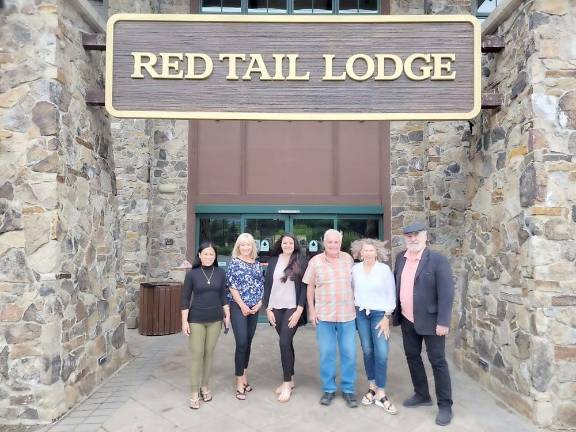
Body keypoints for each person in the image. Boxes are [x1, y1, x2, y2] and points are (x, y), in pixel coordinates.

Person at [391, 222, 455, 426]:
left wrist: (443, 321)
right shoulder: (400, 258)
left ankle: (445, 406)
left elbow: (447, 293)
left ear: (425, 236)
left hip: (432, 321)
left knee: (438, 362)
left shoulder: (437, 260)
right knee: (412, 357)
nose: (412, 238)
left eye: (416, 235)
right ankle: (422, 395)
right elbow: (397, 285)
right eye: (409, 235)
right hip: (408, 319)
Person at [303, 229, 357, 408]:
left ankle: (348, 390)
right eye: (330, 242)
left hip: (347, 316)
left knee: (349, 353)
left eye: (336, 242)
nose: (333, 245)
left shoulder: (348, 259)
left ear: (340, 243)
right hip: (324, 316)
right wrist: (312, 310)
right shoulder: (315, 261)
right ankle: (329, 389)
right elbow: (309, 287)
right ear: (324, 243)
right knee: (327, 354)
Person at [350, 238, 398, 414]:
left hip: (380, 315)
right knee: (367, 351)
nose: (368, 253)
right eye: (365, 250)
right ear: (360, 252)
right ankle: (372, 387)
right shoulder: (355, 270)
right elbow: (351, 290)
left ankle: (381, 392)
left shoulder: (384, 270)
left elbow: (391, 295)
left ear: (376, 252)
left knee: (382, 353)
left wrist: (387, 316)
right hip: (361, 314)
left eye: (371, 250)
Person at [181, 242, 230, 410]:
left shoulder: (221, 273)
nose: (209, 257)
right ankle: (194, 391)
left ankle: (205, 386)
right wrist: (184, 322)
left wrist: (227, 315)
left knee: (209, 353)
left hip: (215, 319)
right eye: (205, 254)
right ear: (199, 255)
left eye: (212, 254)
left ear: (215, 256)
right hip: (196, 319)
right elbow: (185, 299)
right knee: (197, 354)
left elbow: (223, 296)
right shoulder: (192, 275)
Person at [263, 233, 308, 403]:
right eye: (284, 242)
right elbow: (268, 285)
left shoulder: (301, 260)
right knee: (286, 342)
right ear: (280, 244)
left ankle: (287, 384)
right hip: (275, 307)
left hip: (292, 307)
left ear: (295, 244)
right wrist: (267, 308)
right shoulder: (274, 260)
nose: (287, 245)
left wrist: (299, 310)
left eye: (290, 242)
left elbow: (304, 287)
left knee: (283, 342)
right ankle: (291, 377)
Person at [226, 233, 264, 400]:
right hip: (238, 307)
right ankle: (239, 382)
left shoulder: (256, 264)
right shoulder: (234, 263)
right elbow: (232, 286)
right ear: (238, 247)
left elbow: (261, 285)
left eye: (248, 245)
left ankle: (244, 377)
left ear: (252, 247)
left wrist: (260, 303)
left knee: (248, 342)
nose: (246, 248)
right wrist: (242, 306)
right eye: (243, 245)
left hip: (254, 309)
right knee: (241, 342)